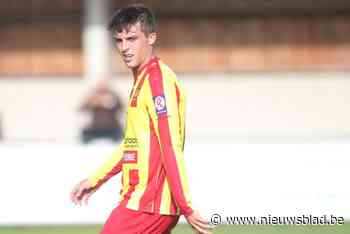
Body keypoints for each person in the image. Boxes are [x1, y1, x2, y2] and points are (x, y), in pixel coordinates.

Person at [70, 4, 213, 234]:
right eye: (119, 40)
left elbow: (170, 146)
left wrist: (186, 206)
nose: (125, 47)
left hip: (148, 205)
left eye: (132, 39)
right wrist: (95, 179)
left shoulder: (157, 82)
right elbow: (132, 145)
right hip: (142, 203)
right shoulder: (142, 80)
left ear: (152, 37)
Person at [79, 79, 123, 144]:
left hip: (112, 127)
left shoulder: (113, 95)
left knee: (122, 134)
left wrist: (112, 102)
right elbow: (82, 108)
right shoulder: (93, 96)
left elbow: (121, 107)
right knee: (85, 133)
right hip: (95, 127)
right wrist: (91, 103)